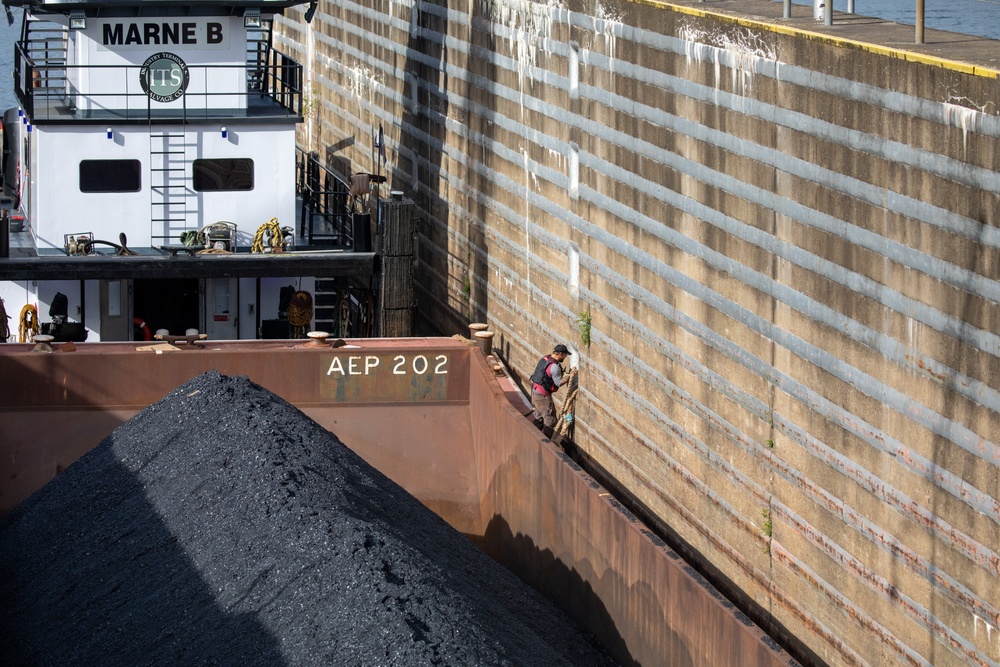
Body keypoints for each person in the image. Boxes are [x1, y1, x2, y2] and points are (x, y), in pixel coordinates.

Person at [530, 344, 574, 438]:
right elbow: (558, 383)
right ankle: (547, 441)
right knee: (549, 418)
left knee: (539, 417)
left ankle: (532, 436)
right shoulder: (555, 367)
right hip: (543, 396)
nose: (565, 357)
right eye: (565, 355)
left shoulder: (545, 359)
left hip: (535, 392)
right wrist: (569, 377)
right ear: (560, 354)